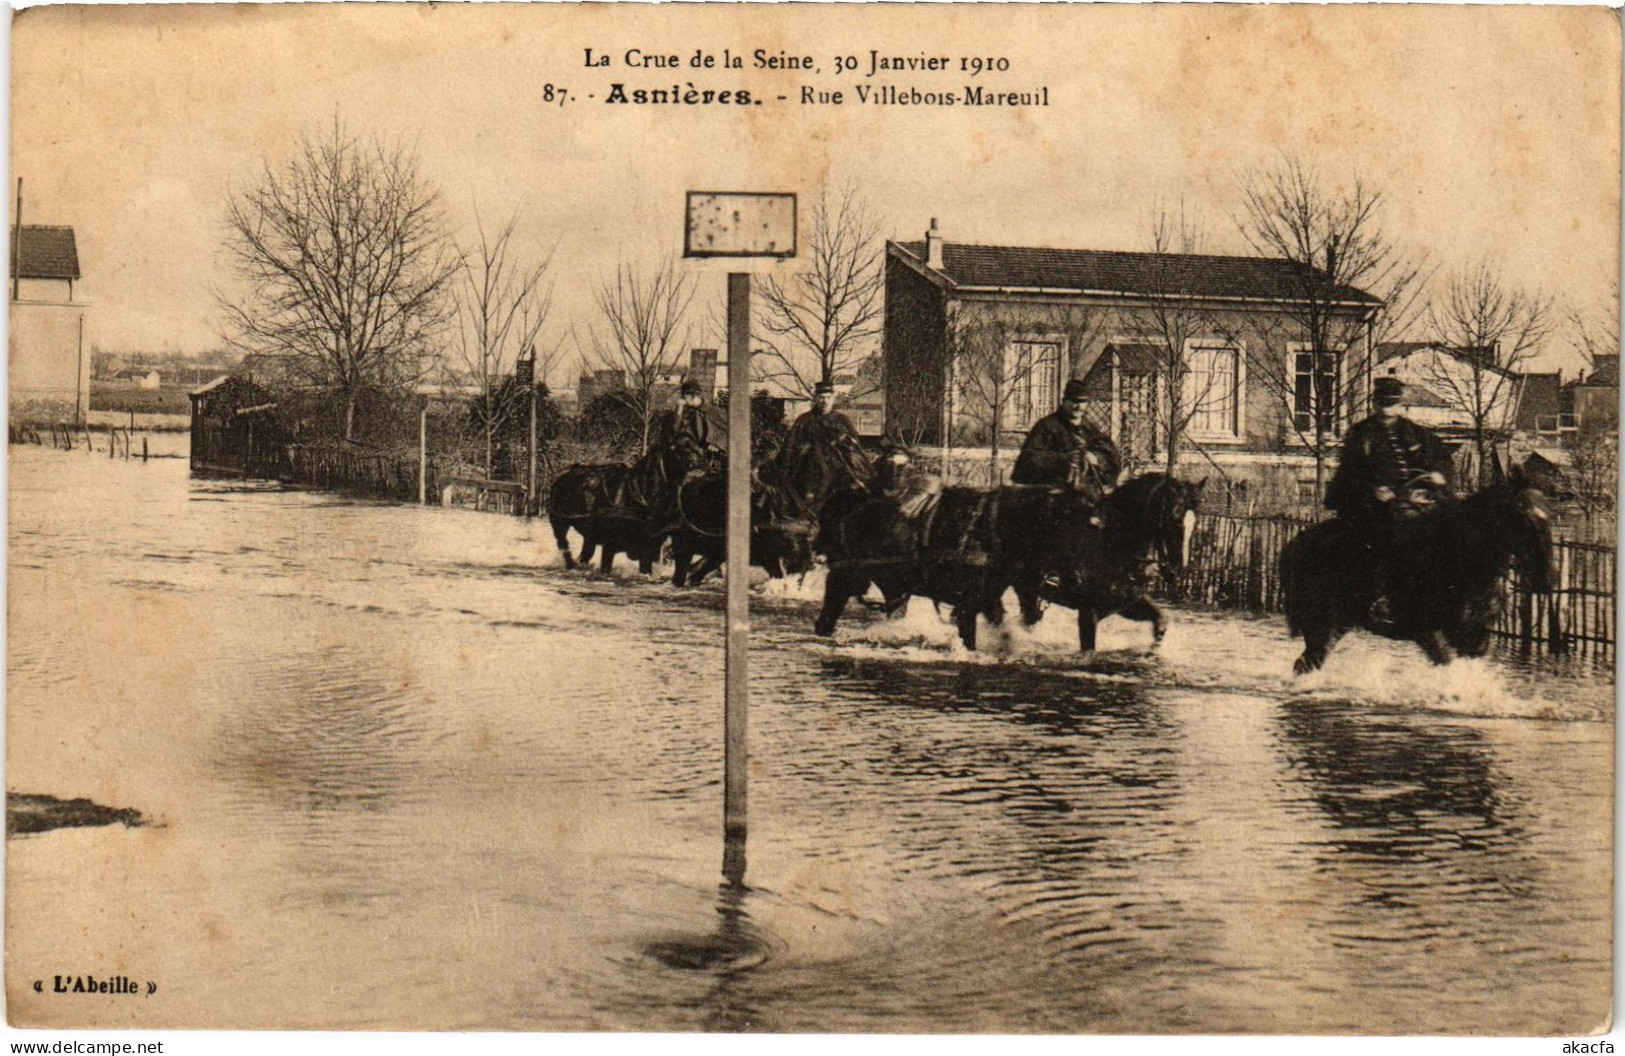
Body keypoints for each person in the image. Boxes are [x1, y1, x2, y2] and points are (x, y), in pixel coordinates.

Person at [1324, 375, 1451, 624]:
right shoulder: (1361, 435)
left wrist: (1439, 474)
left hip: (1414, 499)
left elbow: (1441, 457)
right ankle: (1383, 596)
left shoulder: (1415, 432)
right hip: (1370, 505)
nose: (1387, 410)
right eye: (1382, 404)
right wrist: (1372, 488)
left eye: (1392, 404)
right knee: (1389, 533)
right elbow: (1349, 472)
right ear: (1374, 404)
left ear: (1401, 404)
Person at [1011, 378, 1122, 501]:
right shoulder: (1047, 426)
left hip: (1086, 496)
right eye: (1074, 401)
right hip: (1052, 496)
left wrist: (1096, 458)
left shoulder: (1090, 428)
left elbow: (1111, 458)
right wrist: (1064, 460)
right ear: (1064, 401)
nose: (1078, 406)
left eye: (1083, 402)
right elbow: (1029, 460)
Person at [775, 379, 873, 507]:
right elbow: (790, 447)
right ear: (815, 398)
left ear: (833, 398)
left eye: (828, 397)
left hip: (840, 472)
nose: (825, 401)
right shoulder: (804, 421)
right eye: (821, 397)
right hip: (810, 475)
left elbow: (855, 448)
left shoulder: (842, 421)